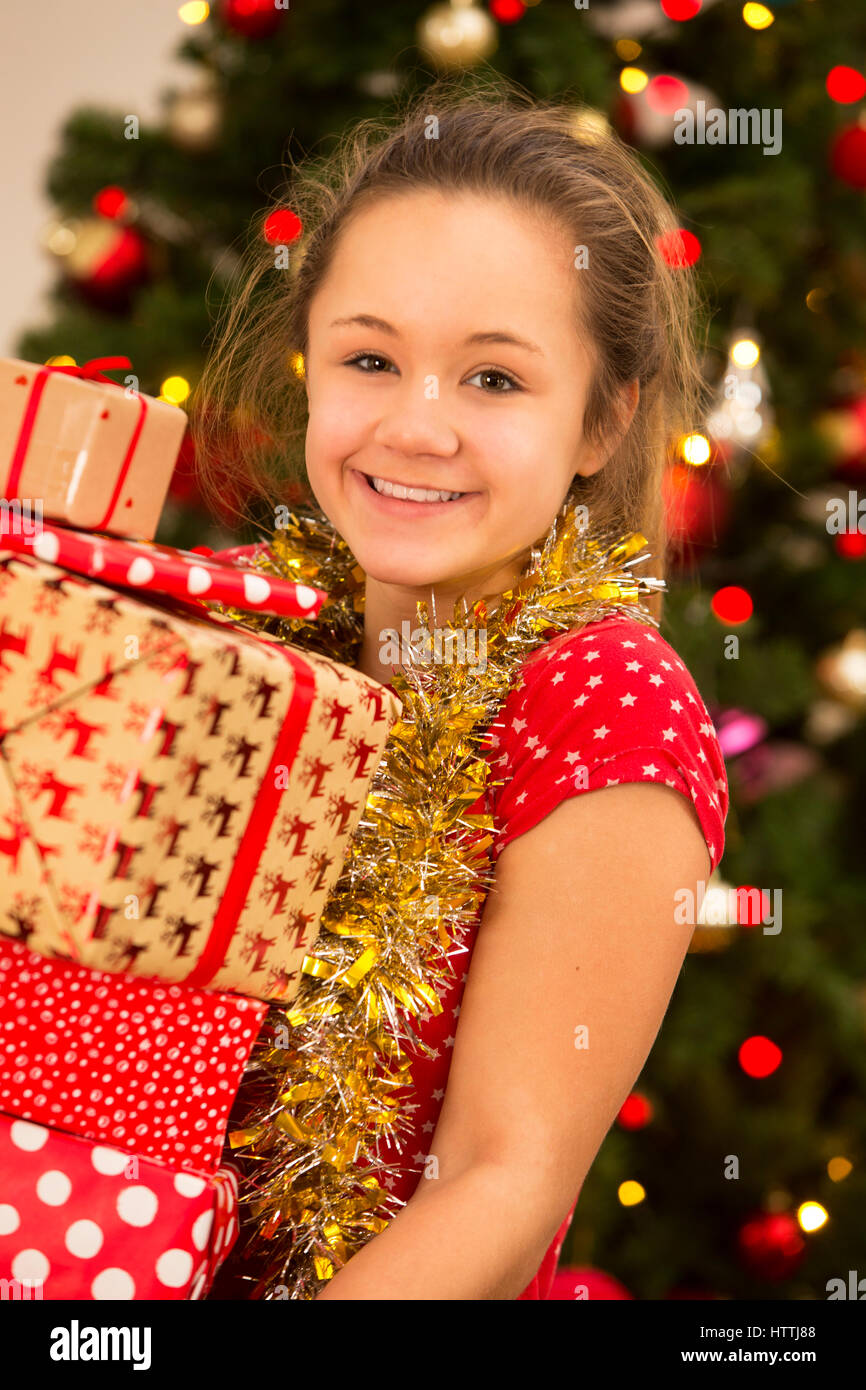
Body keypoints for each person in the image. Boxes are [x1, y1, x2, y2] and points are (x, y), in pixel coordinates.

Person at [194, 72, 728, 1300]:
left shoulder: (603, 699)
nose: (416, 426)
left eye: (492, 379)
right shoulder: (230, 633)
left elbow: (500, 1177)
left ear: (602, 420)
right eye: (370, 358)